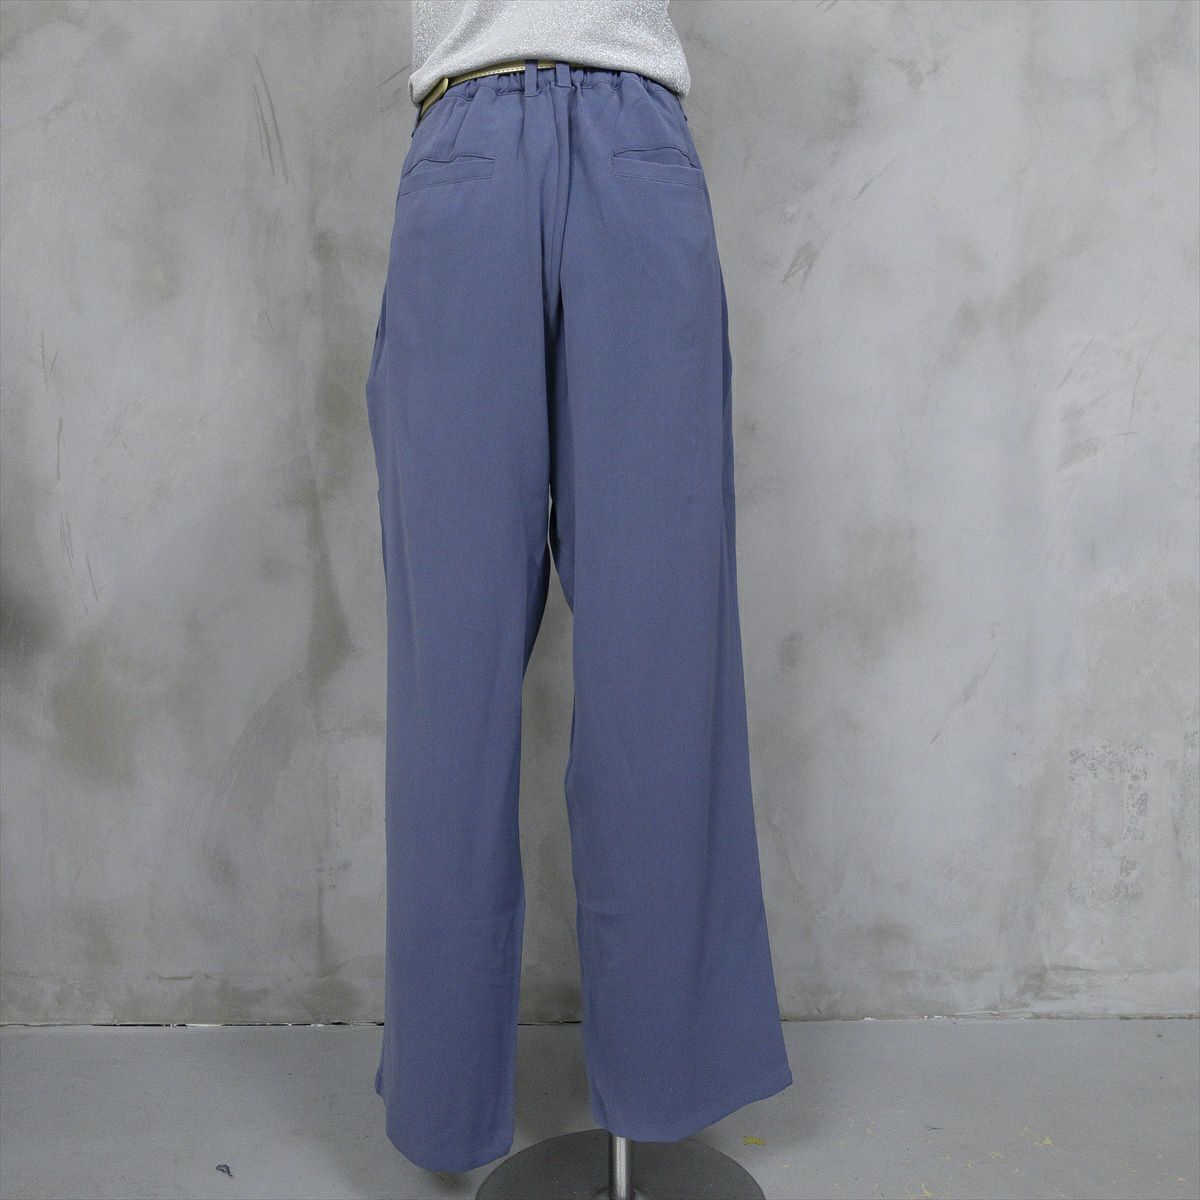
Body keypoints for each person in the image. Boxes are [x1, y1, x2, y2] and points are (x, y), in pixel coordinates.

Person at [364, 0, 794, 1174]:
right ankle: (447, 1101)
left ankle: (662, 1081)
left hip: (634, 137)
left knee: (662, 651)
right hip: (466, 131)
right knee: (450, 669)